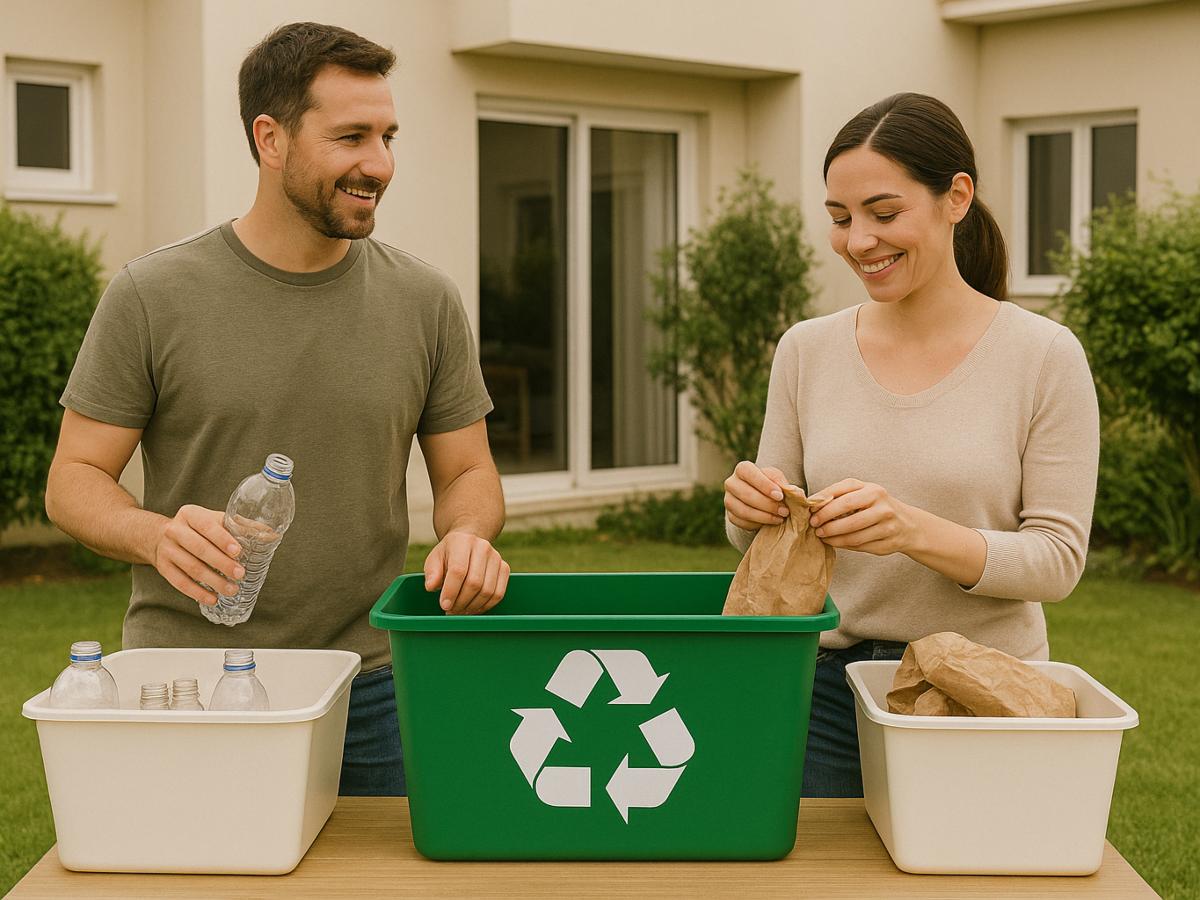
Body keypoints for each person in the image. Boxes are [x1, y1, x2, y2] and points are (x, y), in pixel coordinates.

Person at [43, 22, 510, 796]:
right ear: (271, 138)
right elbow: (74, 478)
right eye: (352, 136)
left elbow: (468, 471)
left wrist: (466, 536)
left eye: (389, 136)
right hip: (186, 685)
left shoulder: (424, 301)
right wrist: (155, 535)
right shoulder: (151, 295)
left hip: (372, 690)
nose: (380, 164)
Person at [722, 93, 1099, 797]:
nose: (858, 240)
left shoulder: (1044, 355)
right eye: (840, 219)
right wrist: (750, 509)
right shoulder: (806, 350)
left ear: (956, 197)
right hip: (823, 693)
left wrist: (912, 530)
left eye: (884, 214)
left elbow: (1056, 561)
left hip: (979, 686)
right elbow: (758, 544)